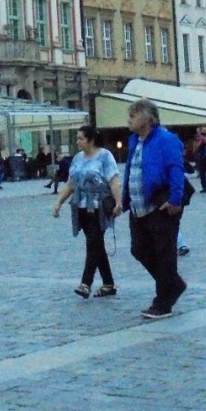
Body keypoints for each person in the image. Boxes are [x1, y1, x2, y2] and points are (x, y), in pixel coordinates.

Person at [121, 98, 188, 320]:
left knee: (164, 253)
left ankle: (163, 303)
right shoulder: (134, 140)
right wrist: (123, 200)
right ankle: (173, 284)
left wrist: (176, 199)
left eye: (134, 115)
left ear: (148, 119)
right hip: (138, 206)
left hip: (161, 204)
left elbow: (176, 168)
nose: (129, 119)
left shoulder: (165, 139)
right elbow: (131, 171)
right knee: (138, 249)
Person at [53, 124, 121, 299]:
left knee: (93, 243)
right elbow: (71, 183)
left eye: (80, 138)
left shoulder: (105, 156)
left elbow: (113, 181)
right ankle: (108, 283)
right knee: (96, 245)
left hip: (99, 207)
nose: (78, 142)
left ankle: (86, 283)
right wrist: (59, 202)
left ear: (90, 140)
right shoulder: (77, 158)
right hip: (80, 207)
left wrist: (119, 202)